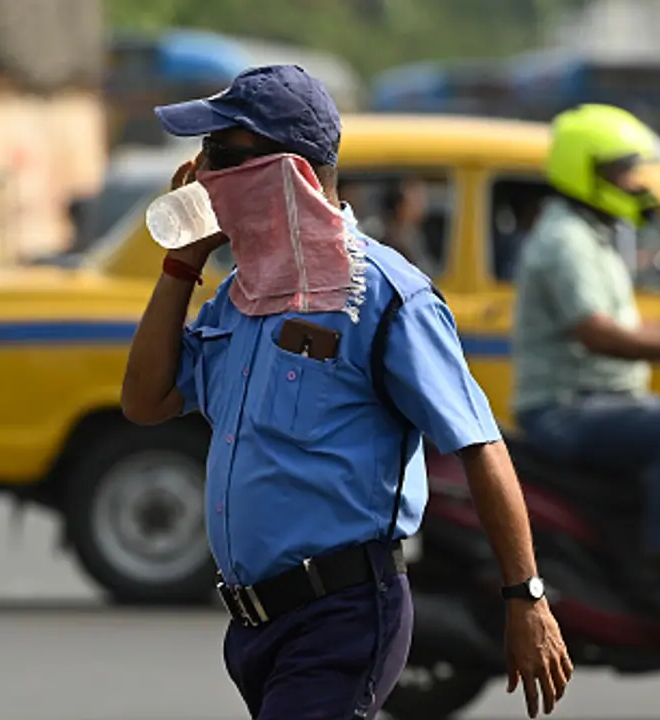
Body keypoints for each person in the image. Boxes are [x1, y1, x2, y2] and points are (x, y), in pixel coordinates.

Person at [120, 65, 572, 720]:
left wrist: (525, 598)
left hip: (342, 615)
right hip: (255, 626)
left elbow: (479, 444)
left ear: (285, 173)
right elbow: (146, 401)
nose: (200, 174)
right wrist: (180, 264)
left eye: (220, 155)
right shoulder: (239, 298)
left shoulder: (386, 298)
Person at [510, 103, 660, 627]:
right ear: (588, 171)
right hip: (564, 410)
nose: (634, 182)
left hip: (601, 401)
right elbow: (602, 334)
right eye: (622, 171)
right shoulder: (564, 242)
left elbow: (631, 326)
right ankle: (659, 580)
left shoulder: (594, 236)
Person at [379, 176, 440, 276]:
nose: (423, 204)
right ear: (400, 207)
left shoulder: (421, 234)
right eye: (417, 199)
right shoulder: (391, 243)